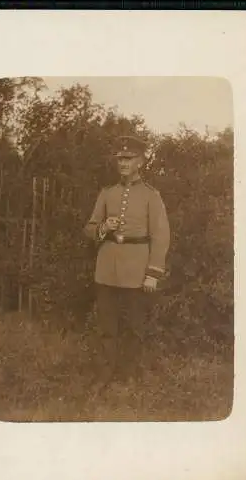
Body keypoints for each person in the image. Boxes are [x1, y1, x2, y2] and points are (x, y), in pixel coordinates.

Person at [83, 135, 170, 382]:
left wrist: (153, 273)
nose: (122, 163)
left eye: (129, 159)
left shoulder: (151, 196)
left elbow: (161, 236)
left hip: (136, 269)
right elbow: (88, 229)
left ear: (140, 162)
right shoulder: (107, 193)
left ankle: (129, 378)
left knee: (134, 328)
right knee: (106, 328)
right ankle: (104, 376)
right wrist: (103, 227)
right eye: (120, 159)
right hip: (107, 268)